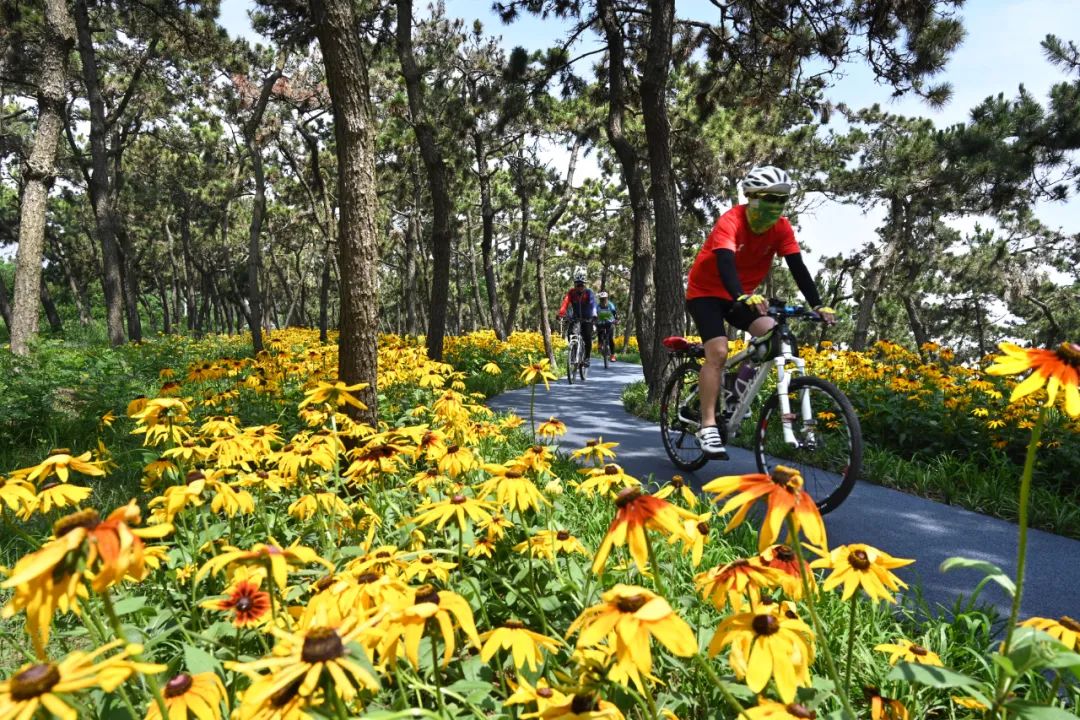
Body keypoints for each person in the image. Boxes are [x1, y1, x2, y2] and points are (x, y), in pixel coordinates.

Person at [685, 166, 836, 457]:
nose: (776, 206)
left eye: (782, 200)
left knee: (774, 338)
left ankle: (733, 388)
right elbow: (726, 262)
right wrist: (742, 294)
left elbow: (797, 267)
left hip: (743, 297)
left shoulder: (782, 228)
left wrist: (817, 303)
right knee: (717, 353)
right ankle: (707, 426)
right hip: (706, 293)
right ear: (752, 197)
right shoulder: (731, 221)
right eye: (770, 198)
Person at [557, 269, 597, 364]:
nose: (579, 287)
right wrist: (561, 313)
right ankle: (573, 354)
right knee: (571, 333)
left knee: (587, 337)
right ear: (575, 284)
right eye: (577, 284)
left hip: (587, 318)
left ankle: (587, 358)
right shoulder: (571, 292)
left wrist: (594, 314)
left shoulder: (588, 293)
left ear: (584, 285)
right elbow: (565, 303)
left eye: (581, 285)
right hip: (575, 317)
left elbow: (593, 304)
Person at [595, 291, 619, 362]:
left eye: (604, 298)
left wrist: (616, 320)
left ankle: (612, 355)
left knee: (610, 339)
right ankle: (600, 344)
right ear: (600, 299)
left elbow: (615, 313)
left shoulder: (610, 305)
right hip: (601, 322)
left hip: (609, 323)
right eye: (601, 299)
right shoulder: (598, 306)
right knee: (599, 332)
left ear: (607, 298)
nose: (603, 300)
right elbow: (594, 314)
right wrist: (593, 320)